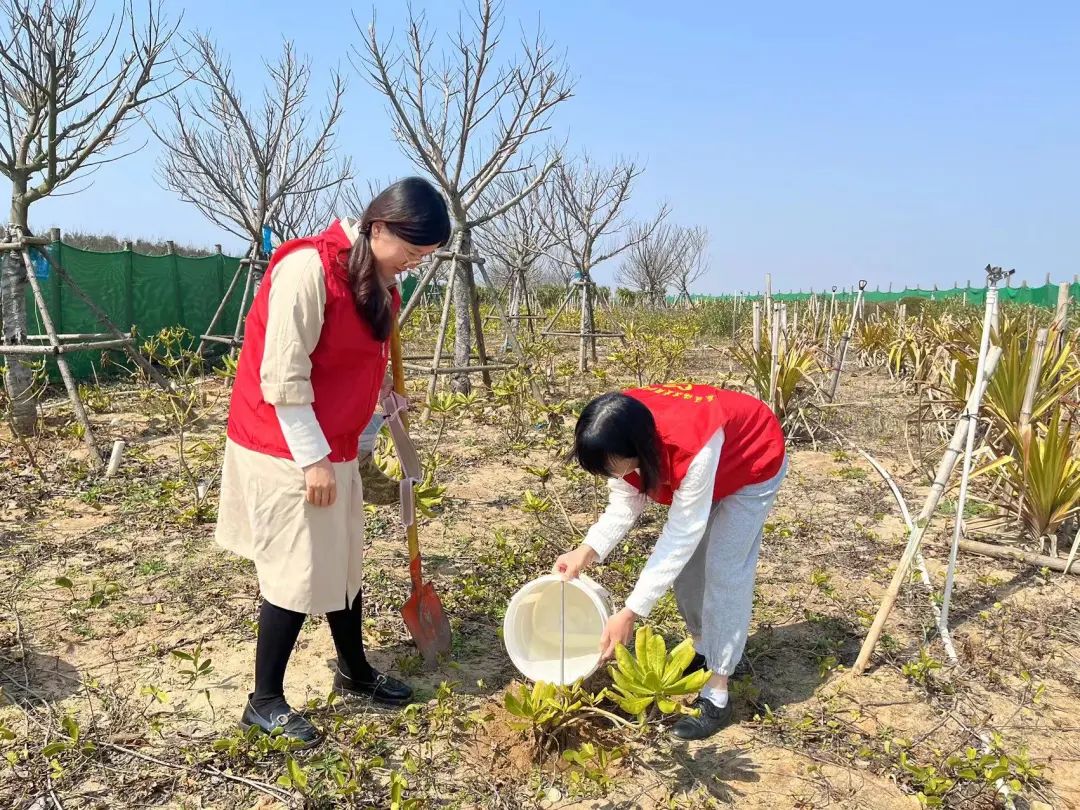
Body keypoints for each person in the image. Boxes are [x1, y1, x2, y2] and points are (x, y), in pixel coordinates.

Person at [215, 177, 451, 747]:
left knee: (344, 562)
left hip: (336, 441)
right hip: (286, 445)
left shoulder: (380, 283)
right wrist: (314, 461)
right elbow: (283, 375)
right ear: (379, 227)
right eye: (412, 251)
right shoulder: (308, 270)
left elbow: (351, 360)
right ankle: (263, 700)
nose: (415, 264)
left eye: (425, 256)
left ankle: (354, 670)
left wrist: (381, 399)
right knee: (296, 571)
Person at [553, 382, 787, 741]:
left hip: (752, 456)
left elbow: (681, 534)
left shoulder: (693, 449)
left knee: (724, 571)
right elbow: (625, 501)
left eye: (614, 467)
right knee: (689, 572)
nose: (614, 476)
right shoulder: (619, 424)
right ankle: (704, 649)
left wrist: (630, 611)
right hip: (713, 459)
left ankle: (718, 690)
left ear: (640, 449)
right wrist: (586, 550)